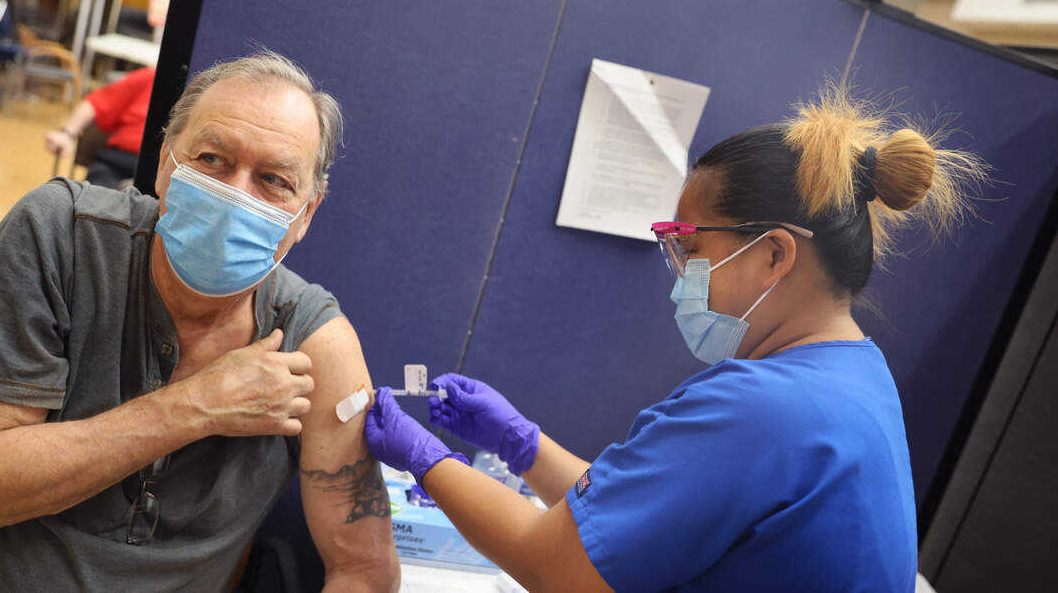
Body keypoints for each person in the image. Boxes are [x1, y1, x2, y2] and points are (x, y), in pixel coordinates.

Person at [364, 89, 986, 592]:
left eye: (691, 248)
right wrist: (521, 444)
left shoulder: (760, 407)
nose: (682, 275)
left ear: (774, 255)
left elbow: (554, 568)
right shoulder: (855, 375)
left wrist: (425, 458)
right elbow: (638, 514)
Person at [0, 52, 399, 591]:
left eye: (273, 179)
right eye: (213, 159)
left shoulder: (315, 347)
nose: (235, 196)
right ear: (165, 163)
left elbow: (364, 569)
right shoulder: (62, 237)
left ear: (306, 213)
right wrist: (196, 405)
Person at [44, 66, 155, 189]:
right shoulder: (151, 76)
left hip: (162, 174)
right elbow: (94, 103)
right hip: (118, 164)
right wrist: (67, 134)